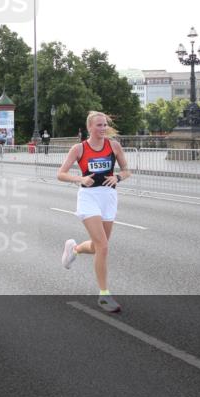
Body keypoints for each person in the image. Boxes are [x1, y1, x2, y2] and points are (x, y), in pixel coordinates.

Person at [56, 111, 133, 314]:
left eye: (105, 125)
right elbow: (60, 174)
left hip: (108, 197)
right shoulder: (79, 148)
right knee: (103, 246)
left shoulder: (113, 146)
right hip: (89, 197)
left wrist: (118, 177)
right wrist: (79, 179)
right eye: (99, 125)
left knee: (100, 245)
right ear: (89, 127)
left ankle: (74, 250)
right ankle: (104, 295)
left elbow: (127, 170)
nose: (103, 128)